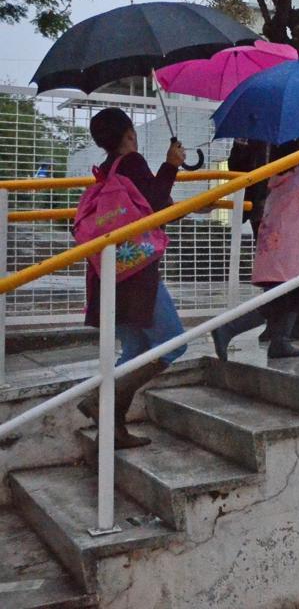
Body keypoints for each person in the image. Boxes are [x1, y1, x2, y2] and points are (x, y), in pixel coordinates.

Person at [76, 107, 187, 449]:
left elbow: (143, 203)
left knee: (137, 347)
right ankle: (99, 399)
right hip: (136, 274)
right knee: (174, 343)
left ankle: (114, 428)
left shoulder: (107, 172)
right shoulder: (133, 162)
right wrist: (171, 164)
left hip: (109, 273)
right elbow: (152, 205)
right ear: (128, 134)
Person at [212, 136, 299, 360]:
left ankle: (280, 341)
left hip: (274, 251)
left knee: (286, 298)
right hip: (293, 252)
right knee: (280, 301)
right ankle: (228, 329)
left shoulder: (275, 178)